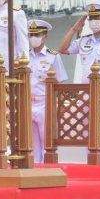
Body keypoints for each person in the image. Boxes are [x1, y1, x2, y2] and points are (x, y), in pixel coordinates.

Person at [59, 3, 100, 164]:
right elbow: (63, 48)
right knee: (87, 130)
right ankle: (92, 162)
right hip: (86, 92)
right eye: (91, 18)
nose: (94, 21)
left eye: (97, 18)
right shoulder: (84, 41)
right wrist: (75, 29)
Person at [28, 19, 68, 164]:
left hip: (45, 102)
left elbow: (61, 80)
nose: (34, 38)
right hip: (28, 102)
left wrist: (59, 105)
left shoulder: (53, 56)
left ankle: (48, 168)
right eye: (31, 35)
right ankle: (35, 168)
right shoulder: (24, 56)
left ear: (45, 36)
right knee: (31, 144)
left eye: (37, 35)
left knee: (47, 140)